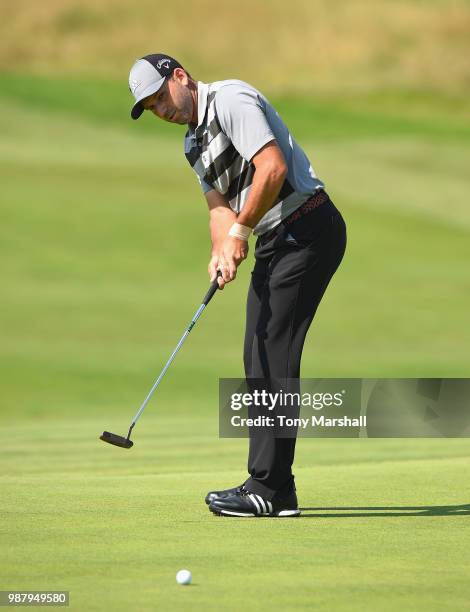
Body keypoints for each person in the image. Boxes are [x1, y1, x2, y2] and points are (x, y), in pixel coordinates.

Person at [128, 53, 347, 518]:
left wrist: (239, 234)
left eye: (160, 97)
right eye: (150, 108)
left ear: (180, 77)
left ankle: (267, 488)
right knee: (256, 352)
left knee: (272, 350)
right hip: (276, 239)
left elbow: (272, 169)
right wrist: (220, 249)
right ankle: (275, 489)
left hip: (307, 227)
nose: (160, 110)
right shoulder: (192, 144)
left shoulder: (230, 98)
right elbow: (217, 208)